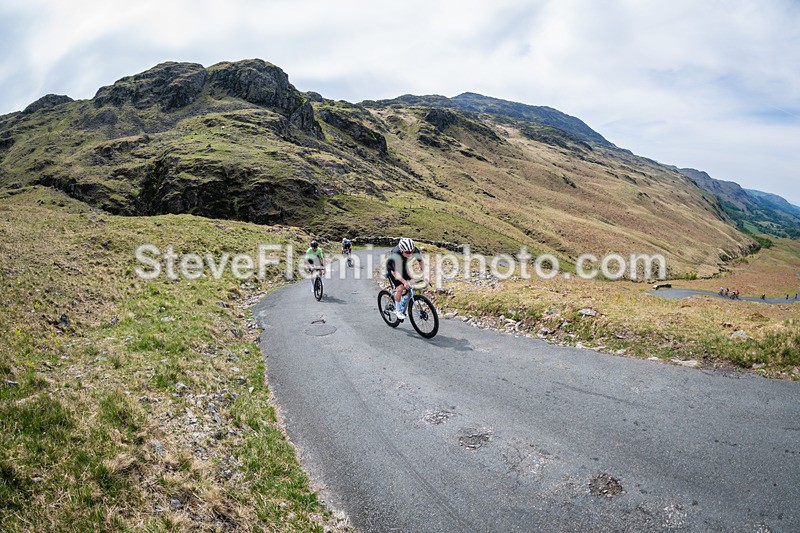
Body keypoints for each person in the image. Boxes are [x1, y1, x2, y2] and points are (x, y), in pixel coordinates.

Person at [385, 237, 426, 320]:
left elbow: (421, 262)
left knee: (410, 285)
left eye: (411, 251)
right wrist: (404, 282)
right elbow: (395, 273)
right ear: (401, 251)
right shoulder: (395, 255)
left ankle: (403, 304)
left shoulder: (414, 250)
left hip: (403, 265)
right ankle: (398, 310)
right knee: (400, 288)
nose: (410, 254)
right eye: (407, 252)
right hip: (393, 269)